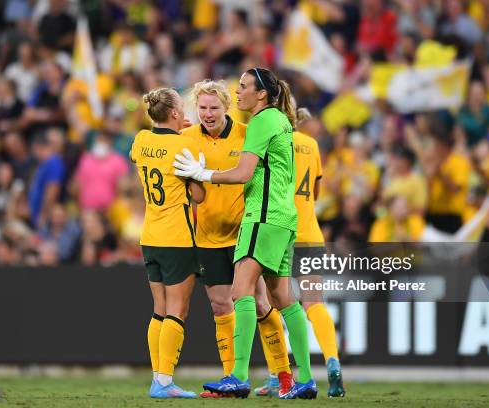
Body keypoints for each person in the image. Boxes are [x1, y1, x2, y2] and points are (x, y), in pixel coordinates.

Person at [174, 68, 317, 399]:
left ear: (262, 94)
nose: (237, 92)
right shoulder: (281, 121)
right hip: (284, 217)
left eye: (243, 87)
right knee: (284, 298)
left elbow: (242, 174)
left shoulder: (261, 122)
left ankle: (238, 375)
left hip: (262, 216)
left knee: (241, 293)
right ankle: (306, 379)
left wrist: (203, 173)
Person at [254, 107, 346, 397]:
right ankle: (332, 362)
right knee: (314, 304)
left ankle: (277, 375)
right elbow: (316, 194)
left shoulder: (270, 141)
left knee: (271, 304)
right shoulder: (312, 144)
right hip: (310, 233)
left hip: (280, 231)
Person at [130, 87, 202, 399]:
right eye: (183, 109)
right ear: (174, 113)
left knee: (159, 308)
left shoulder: (140, 140)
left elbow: (149, 150)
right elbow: (198, 196)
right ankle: (164, 381)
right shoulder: (183, 148)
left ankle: (158, 379)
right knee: (178, 309)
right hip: (177, 237)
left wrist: (173, 132)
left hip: (150, 236)